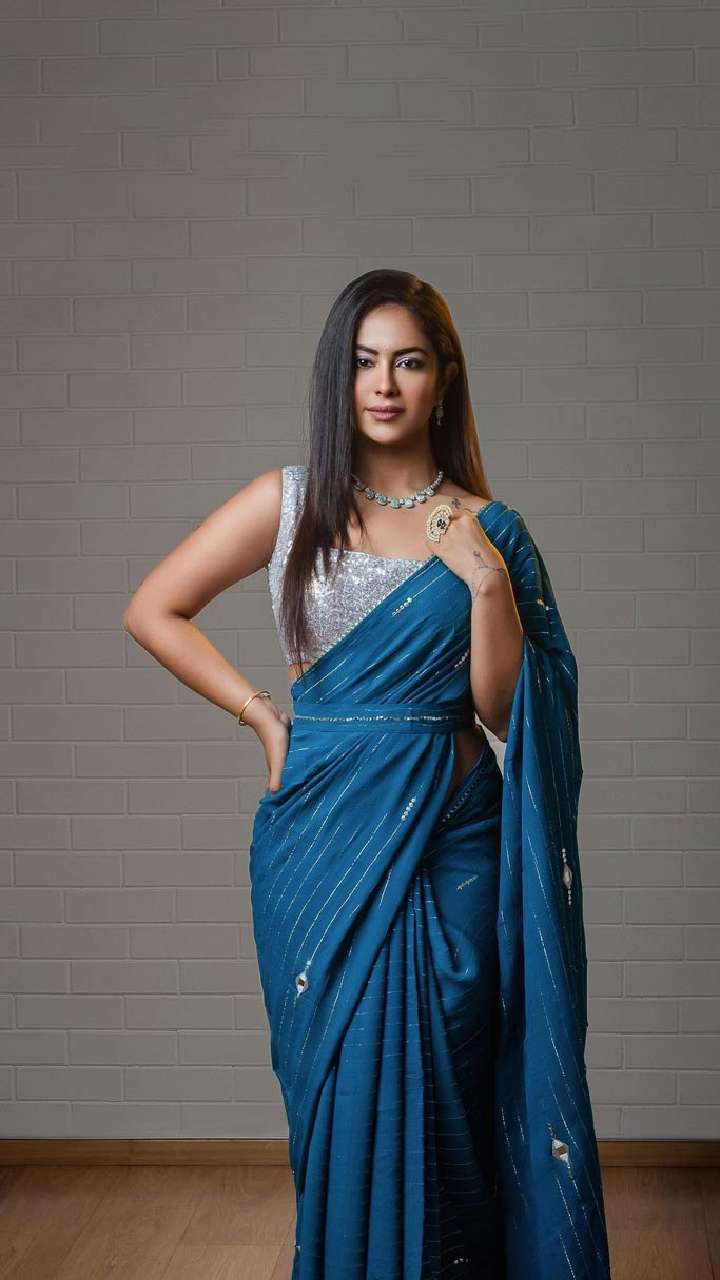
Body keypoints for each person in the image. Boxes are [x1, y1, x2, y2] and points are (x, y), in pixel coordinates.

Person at [123, 268, 611, 1279]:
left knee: (449, 1102)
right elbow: (153, 607)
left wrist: (487, 585)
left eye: (408, 361)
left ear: (443, 379)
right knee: (341, 1098)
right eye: (362, 361)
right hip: (321, 847)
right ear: (337, 377)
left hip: (454, 844)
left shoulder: (491, 529)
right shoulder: (290, 502)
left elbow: (507, 712)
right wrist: (262, 714)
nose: (383, 384)